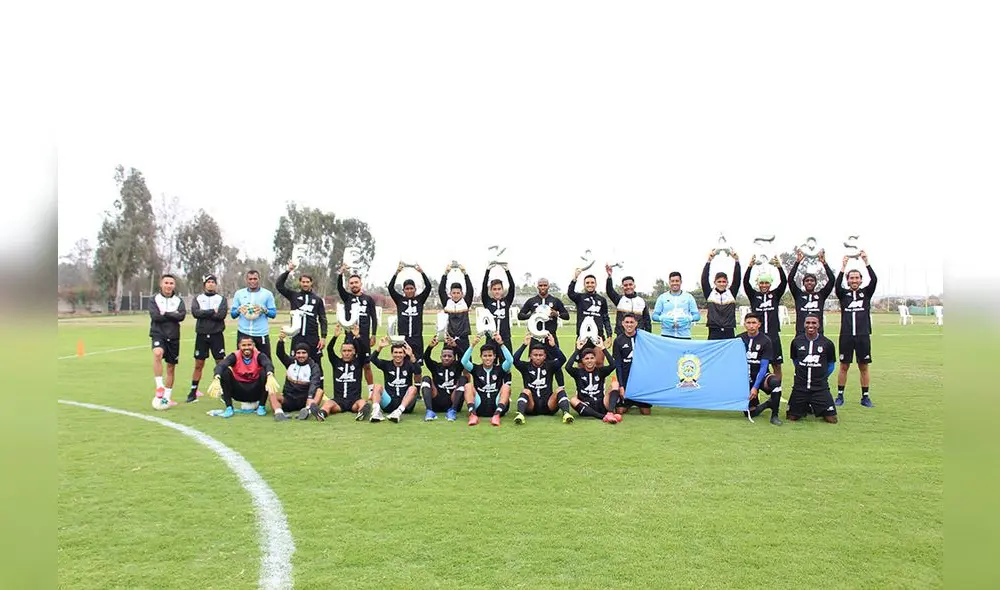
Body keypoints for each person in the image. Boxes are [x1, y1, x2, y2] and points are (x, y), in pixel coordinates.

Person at [834, 251, 878, 407]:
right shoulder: (843, 294)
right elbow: (836, 285)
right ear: (848, 280)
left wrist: (866, 261)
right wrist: (843, 267)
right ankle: (840, 396)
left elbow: (874, 280)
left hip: (862, 335)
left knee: (863, 366)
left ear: (860, 280)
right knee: (844, 366)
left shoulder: (865, 293)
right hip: (846, 335)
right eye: (851, 278)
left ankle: (865, 397)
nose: (854, 280)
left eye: (857, 278)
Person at [205, 334, 281, 419]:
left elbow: (268, 364)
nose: (247, 347)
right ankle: (229, 407)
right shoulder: (234, 356)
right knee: (224, 372)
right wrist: (216, 377)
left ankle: (261, 406)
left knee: (265, 372)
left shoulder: (259, 355)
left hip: (256, 392)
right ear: (239, 346)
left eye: (249, 345)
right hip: (238, 391)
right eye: (244, 345)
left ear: (253, 345)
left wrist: (270, 374)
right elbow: (221, 365)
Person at [275, 261, 329, 369]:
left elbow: (323, 319)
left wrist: (323, 337)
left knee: (316, 365)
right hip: (297, 337)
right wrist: (288, 270)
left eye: (307, 282)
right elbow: (279, 286)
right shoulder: (293, 295)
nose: (305, 284)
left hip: (313, 337)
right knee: (294, 364)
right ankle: (295, 385)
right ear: (300, 283)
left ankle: (318, 386)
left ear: (311, 283)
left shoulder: (317, 299)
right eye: (303, 282)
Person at [510, 333, 573, 425]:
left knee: (560, 389)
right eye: (535, 355)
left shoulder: (550, 366)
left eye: (540, 355)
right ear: (530, 356)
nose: (538, 357)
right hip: (531, 406)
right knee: (526, 391)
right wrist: (524, 345)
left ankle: (566, 414)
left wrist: (554, 346)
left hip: (549, 405)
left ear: (545, 356)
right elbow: (514, 360)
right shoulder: (525, 367)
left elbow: (562, 359)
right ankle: (520, 415)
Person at [786, 314, 838, 423]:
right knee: (791, 418)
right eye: (808, 322)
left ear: (818, 325)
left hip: (820, 388)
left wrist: (821, 376)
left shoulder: (827, 343)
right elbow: (795, 361)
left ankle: (814, 406)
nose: (811, 325)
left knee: (832, 419)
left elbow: (831, 365)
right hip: (800, 387)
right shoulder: (796, 342)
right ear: (804, 324)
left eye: (814, 323)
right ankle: (805, 406)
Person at [743, 257, 788, 381]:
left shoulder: (775, 295)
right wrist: (750, 266)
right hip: (759, 336)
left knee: (777, 365)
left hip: (773, 335)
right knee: (757, 364)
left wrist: (779, 267)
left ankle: (777, 390)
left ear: (770, 283)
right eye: (761, 283)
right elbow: (745, 283)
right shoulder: (754, 296)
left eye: (766, 283)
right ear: (758, 284)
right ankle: (755, 387)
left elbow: (784, 282)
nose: (764, 285)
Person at [337, 264, 379, 395]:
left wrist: (373, 335)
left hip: (364, 337)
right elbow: (339, 287)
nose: (354, 285)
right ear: (349, 285)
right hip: (350, 337)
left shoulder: (368, 299)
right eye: (351, 283)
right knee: (350, 364)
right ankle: (351, 392)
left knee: (366, 365)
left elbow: (374, 318)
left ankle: (371, 392)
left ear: (361, 283)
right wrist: (341, 274)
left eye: (356, 282)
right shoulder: (347, 298)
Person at [188, 274, 228, 402]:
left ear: (216, 284)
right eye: (208, 282)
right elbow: (195, 313)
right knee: (199, 364)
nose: (211, 284)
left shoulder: (221, 299)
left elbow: (221, 315)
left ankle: (223, 391)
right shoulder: (198, 298)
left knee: (220, 364)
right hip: (202, 335)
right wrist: (212, 311)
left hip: (217, 335)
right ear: (205, 284)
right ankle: (193, 392)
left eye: (213, 282)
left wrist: (204, 313)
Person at [150, 273, 187, 410]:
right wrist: (173, 315)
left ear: (174, 285)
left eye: (171, 283)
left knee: (171, 367)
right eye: (166, 283)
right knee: (158, 353)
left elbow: (181, 316)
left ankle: (167, 398)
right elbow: (155, 316)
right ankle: (159, 386)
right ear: (161, 284)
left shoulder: (179, 301)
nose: (168, 285)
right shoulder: (154, 299)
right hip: (158, 334)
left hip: (174, 336)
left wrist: (165, 313)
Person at [461, 333, 514, 427]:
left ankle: (496, 416)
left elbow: (510, 361)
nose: (487, 358)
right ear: (481, 357)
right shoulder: (476, 368)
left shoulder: (499, 369)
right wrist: (472, 345)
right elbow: (464, 361)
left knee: (506, 386)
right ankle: (472, 415)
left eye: (490, 356)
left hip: (497, 405)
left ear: (494, 356)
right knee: (468, 386)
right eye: (485, 356)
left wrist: (501, 344)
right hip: (479, 405)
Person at [363, 337, 420, 423]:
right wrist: (380, 347)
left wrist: (411, 355)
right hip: (389, 403)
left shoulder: (409, 365)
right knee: (377, 386)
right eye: (395, 352)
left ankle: (398, 412)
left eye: (400, 352)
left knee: (413, 388)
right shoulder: (386, 364)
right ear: (392, 354)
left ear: (405, 354)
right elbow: (372, 359)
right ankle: (376, 412)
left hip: (406, 405)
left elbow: (418, 371)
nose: (398, 355)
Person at [388, 263, 432, 373]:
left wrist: (421, 272)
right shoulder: (399, 300)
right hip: (404, 338)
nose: (409, 291)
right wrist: (397, 272)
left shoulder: (420, 300)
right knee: (404, 366)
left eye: (411, 288)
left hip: (417, 338)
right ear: (403, 290)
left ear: (415, 289)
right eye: (407, 289)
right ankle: (406, 388)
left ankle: (416, 388)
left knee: (417, 367)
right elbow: (390, 287)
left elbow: (428, 287)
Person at [740, 312, 783, 426]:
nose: (751, 326)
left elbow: (764, 367)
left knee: (775, 382)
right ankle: (767, 404)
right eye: (748, 323)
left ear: (759, 324)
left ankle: (775, 415)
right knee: (749, 413)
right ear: (744, 324)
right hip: (746, 379)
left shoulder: (765, 340)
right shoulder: (739, 339)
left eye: (754, 323)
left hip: (761, 376)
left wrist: (755, 387)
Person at [321, 324, 370, 421]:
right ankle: (322, 414)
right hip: (338, 401)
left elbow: (364, 351)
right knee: (328, 404)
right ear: (341, 352)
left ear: (354, 352)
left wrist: (358, 337)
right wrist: (335, 337)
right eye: (344, 351)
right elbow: (329, 349)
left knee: (362, 403)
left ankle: (361, 413)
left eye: (349, 351)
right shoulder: (336, 362)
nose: (346, 353)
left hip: (354, 401)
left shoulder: (358, 362)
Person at [273, 331, 325, 421]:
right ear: (295, 354)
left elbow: (315, 383)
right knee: (272, 393)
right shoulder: (290, 362)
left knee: (319, 391)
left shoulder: (314, 366)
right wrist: (281, 341)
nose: (301, 355)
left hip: (305, 400)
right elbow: (280, 354)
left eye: (303, 353)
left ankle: (307, 411)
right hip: (289, 398)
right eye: (298, 353)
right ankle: (279, 413)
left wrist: (309, 398)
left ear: (308, 354)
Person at [566, 340, 621, 423]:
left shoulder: (601, 371)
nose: (589, 361)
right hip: (586, 406)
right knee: (573, 400)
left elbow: (613, 365)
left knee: (615, 384)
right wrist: (577, 349)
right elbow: (568, 367)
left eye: (592, 358)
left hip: (602, 404)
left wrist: (603, 348)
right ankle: (602, 417)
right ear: (583, 361)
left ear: (595, 359)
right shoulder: (578, 372)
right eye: (586, 359)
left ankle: (609, 413)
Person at [230, 269, 277, 360]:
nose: (253, 281)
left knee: (265, 362)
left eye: (255, 279)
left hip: (261, 333)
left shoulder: (267, 294)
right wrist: (239, 310)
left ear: (259, 279)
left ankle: (268, 374)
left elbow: (273, 314)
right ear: (246, 280)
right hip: (243, 333)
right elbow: (233, 314)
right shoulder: (239, 294)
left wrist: (264, 310)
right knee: (241, 362)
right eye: (250, 279)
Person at [611, 313, 652, 415]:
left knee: (646, 412)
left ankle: (639, 402)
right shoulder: (618, 341)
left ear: (636, 323)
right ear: (623, 324)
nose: (629, 325)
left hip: (640, 382)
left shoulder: (643, 338)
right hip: (626, 381)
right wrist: (621, 386)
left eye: (632, 322)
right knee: (620, 411)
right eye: (627, 322)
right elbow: (618, 365)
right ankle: (627, 402)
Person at [419, 335, 467, 422]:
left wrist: (455, 346)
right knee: (426, 378)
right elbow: (426, 358)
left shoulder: (457, 366)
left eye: (449, 356)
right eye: (444, 356)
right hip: (437, 401)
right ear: (440, 357)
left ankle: (453, 411)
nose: (447, 358)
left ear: (453, 357)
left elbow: (464, 359)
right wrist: (430, 347)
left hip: (453, 401)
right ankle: (429, 411)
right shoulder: (435, 366)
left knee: (463, 379)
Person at [788, 249, 836, 335]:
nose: (809, 282)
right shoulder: (798, 294)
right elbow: (790, 279)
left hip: (818, 333)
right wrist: (797, 262)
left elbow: (832, 280)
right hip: (801, 333)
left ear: (815, 283)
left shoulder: (821, 295)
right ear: (803, 283)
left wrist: (824, 263)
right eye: (807, 281)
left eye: (812, 280)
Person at [517, 278, 571, 351]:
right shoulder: (531, 301)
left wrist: (556, 314)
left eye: (545, 285)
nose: (543, 287)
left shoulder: (555, 301)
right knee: (535, 361)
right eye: (541, 285)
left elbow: (567, 316)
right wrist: (532, 315)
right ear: (537, 287)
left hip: (550, 337)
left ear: (548, 286)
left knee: (555, 361)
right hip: (535, 337)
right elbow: (520, 316)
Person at [701, 249, 741, 340]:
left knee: (729, 354)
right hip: (714, 330)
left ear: (727, 283)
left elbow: (737, 279)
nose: (721, 283)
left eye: (724, 281)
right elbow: (704, 280)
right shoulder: (710, 294)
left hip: (729, 329)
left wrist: (737, 261)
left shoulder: (731, 293)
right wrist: (709, 261)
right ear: (714, 282)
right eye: (719, 281)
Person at [439, 265, 474, 360]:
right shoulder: (447, 302)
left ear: (462, 293)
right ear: (450, 294)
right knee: (448, 363)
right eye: (453, 293)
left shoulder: (465, 302)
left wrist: (465, 273)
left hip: (463, 339)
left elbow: (470, 290)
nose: (456, 295)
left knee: (466, 364)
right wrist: (445, 273)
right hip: (449, 339)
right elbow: (441, 289)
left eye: (458, 293)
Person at [651, 272, 701, 339]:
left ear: (681, 282)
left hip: (684, 335)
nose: (674, 283)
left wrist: (689, 319)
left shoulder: (689, 297)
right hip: (666, 335)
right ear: (669, 282)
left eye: (677, 281)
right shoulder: (662, 297)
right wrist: (662, 318)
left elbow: (697, 316)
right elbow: (654, 316)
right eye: (672, 281)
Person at [567, 269, 613, 342]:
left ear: (596, 284)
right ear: (584, 284)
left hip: (598, 336)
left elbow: (606, 318)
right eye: (587, 283)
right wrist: (575, 278)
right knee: (580, 353)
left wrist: (609, 335)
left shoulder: (602, 300)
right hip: (582, 336)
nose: (590, 285)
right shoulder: (580, 297)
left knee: (599, 353)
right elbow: (570, 293)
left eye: (592, 283)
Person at [605, 267, 652, 336]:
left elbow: (647, 320)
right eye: (625, 285)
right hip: (622, 335)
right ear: (622, 287)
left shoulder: (641, 301)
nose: (628, 287)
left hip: (638, 335)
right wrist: (609, 276)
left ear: (634, 285)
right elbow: (609, 291)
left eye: (630, 284)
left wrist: (648, 336)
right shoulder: (619, 299)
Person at [481, 263, 516, 351]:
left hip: (505, 337)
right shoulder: (488, 301)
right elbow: (484, 287)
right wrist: (487, 271)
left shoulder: (507, 301)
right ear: (491, 290)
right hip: (491, 338)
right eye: (494, 289)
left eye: (499, 289)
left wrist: (507, 271)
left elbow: (512, 287)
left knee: (507, 362)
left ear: (502, 289)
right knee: (489, 362)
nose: (497, 291)